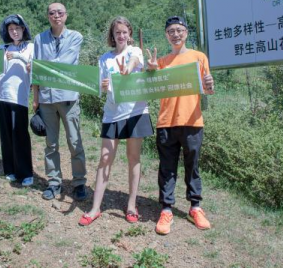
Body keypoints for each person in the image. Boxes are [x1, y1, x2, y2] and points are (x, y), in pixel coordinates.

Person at [79, 17, 153, 226]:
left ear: (129, 34)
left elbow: (133, 64)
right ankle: (95, 208)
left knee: (133, 158)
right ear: (112, 35)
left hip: (135, 112)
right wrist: (103, 86)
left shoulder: (135, 52)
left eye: (124, 32)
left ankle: (131, 205)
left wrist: (126, 70)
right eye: (117, 32)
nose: (121, 36)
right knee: (104, 158)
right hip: (112, 113)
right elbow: (102, 86)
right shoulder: (104, 58)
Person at [146, 16, 215, 235]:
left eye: (179, 30)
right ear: (166, 35)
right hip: (166, 122)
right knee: (167, 168)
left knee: (192, 166)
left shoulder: (198, 57)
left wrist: (211, 86)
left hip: (193, 120)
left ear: (186, 32)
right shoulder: (163, 61)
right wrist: (151, 71)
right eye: (171, 31)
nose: (175, 34)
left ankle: (195, 207)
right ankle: (166, 209)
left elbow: (208, 89)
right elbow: (151, 87)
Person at [33, 2, 87, 201]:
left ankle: (79, 182)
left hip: (68, 97)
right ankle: (54, 182)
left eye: (60, 13)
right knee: (51, 143)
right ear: (48, 16)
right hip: (47, 98)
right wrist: (36, 97)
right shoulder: (39, 39)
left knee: (74, 142)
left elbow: (65, 61)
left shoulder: (75, 37)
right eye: (52, 13)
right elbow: (37, 70)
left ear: (66, 15)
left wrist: (41, 66)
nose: (56, 16)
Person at [0, 14, 35, 186]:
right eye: (11, 29)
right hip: (1, 95)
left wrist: (19, 58)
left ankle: (25, 173)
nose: (14, 32)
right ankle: (9, 169)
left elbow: (33, 67)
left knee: (20, 134)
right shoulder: (3, 47)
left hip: (19, 96)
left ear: (23, 29)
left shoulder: (31, 47)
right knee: (6, 135)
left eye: (17, 28)